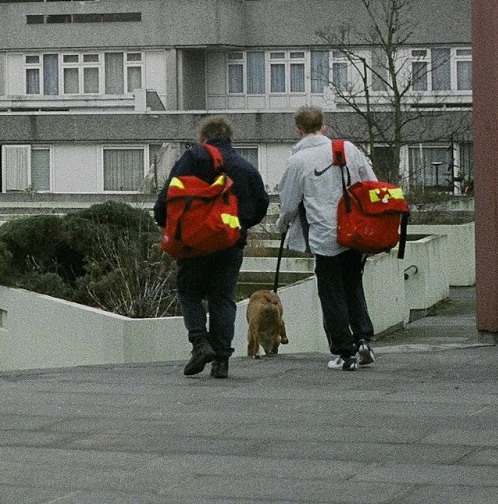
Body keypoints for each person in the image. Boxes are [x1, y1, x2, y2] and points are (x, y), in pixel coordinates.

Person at [153, 116, 269, 379]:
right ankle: (222, 362)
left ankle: (200, 343)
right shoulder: (246, 167)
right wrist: (238, 225)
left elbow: (168, 195)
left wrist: (164, 222)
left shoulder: (193, 157)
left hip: (193, 242)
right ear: (230, 139)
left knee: (190, 292)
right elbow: (261, 204)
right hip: (229, 244)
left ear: (202, 139)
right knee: (223, 298)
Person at [277, 105, 378, 371]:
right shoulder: (347, 149)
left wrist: (282, 225)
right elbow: (372, 183)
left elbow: (288, 205)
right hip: (355, 233)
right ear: (324, 127)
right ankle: (364, 340)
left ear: (298, 130)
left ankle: (345, 353)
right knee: (353, 285)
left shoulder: (298, 161)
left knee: (331, 293)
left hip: (324, 236)